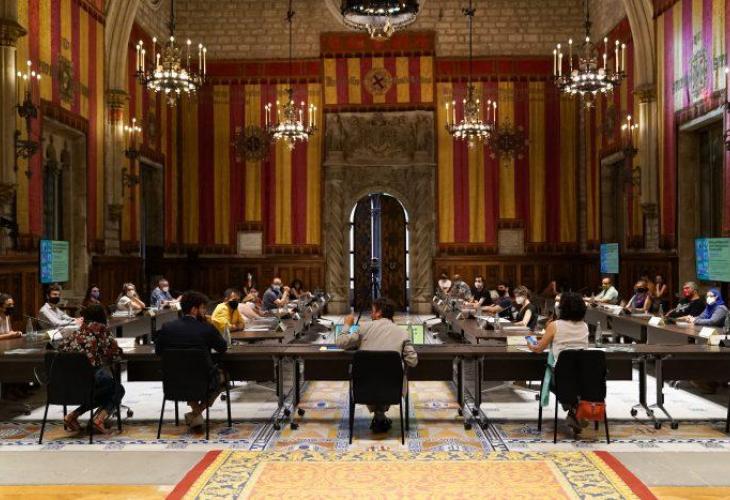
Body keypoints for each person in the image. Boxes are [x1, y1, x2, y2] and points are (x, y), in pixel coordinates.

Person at [337, 297, 418, 433]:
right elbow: (413, 361)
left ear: (379, 312)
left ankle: (379, 415)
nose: (371, 313)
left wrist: (347, 325)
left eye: (373, 311)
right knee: (385, 376)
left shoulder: (363, 327)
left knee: (373, 375)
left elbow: (341, 342)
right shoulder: (403, 333)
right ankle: (380, 415)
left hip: (363, 387)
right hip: (393, 388)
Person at [155, 291, 228, 430]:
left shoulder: (167, 327)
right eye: (203, 308)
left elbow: (158, 351)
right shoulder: (206, 328)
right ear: (194, 309)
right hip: (202, 382)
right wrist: (210, 325)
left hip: (173, 382)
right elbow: (222, 347)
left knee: (187, 373)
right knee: (224, 377)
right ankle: (198, 411)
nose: (205, 311)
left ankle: (195, 413)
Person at [528, 292, 589, 433]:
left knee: (552, 380)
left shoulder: (554, 325)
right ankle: (575, 410)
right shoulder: (585, 326)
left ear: (562, 308)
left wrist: (530, 344)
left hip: (561, 377)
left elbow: (539, 349)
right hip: (583, 376)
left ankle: (573, 408)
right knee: (571, 383)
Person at [58, 304, 125, 434]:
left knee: (103, 390)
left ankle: (72, 416)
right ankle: (99, 419)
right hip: (91, 380)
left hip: (69, 383)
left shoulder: (75, 332)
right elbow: (115, 353)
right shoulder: (101, 330)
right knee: (117, 389)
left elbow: (61, 350)